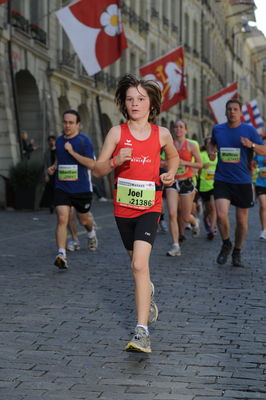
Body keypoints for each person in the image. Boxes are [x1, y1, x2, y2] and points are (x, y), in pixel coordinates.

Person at [93, 74, 179, 353]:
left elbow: (174, 156)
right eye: (130, 99)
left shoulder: (161, 134)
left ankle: (142, 332)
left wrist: (170, 173)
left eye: (141, 99)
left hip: (149, 207)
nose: (135, 104)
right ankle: (148, 290)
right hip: (123, 209)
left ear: (151, 103)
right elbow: (98, 169)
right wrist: (115, 160)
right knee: (136, 265)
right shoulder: (117, 133)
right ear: (123, 103)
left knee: (139, 265)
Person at [209, 99, 266, 267]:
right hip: (222, 179)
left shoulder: (249, 130)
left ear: (240, 113)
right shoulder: (218, 129)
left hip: (242, 180)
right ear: (225, 112)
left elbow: (264, 150)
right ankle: (226, 243)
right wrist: (212, 151)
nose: (232, 112)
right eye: (229, 109)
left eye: (235, 109)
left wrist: (252, 145)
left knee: (242, 220)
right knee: (220, 214)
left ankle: (237, 250)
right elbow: (212, 143)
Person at [48, 109, 98, 269]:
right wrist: (54, 166)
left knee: (84, 220)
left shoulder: (84, 141)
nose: (67, 125)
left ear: (78, 124)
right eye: (65, 122)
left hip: (81, 188)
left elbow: (91, 164)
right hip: (62, 186)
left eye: (70, 123)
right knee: (62, 218)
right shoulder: (60, 141)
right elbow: (59, 158)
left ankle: (91, 233)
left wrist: (72, 152)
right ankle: (61, 254)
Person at [165, 120, 202, 256]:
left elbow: (199, 164)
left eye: (181, 127)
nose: (178, 129)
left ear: (185, 130)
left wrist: (184, 162)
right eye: (176, 127)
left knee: (185, 216)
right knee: (173, 213)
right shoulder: (169, 145)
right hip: (173, 182)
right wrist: (168, 163)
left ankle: (194, 221)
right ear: (173, 130)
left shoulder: (191, 145)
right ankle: (175, 245)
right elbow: (161, 162)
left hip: (186, 182)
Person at [199, 137, 217, 240]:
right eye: (208, 143)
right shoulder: (202, 155)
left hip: (215, 185)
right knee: (208, 208)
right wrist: (201, 166)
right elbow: (196, 167)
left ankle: (211, 229)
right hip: (204, 185)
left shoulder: (218, 155)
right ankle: (205, 218)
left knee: (213, 207)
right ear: (206, 145)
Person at [254, 136, 266, 240]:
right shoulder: (258, 153)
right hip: (260, 183)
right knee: (263, 205)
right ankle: (263, 230)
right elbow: (253, 164)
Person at [42, 135, 56, 213]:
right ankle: (51, 205)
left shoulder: (58, 151)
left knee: (57, 189)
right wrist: (46, 175)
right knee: (50, 190)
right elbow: (45, 165)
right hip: (50, 174)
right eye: (50, 140)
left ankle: (56, 204)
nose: (51, 142)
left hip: (58, 174)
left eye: (53, 140)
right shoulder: (47, 152)